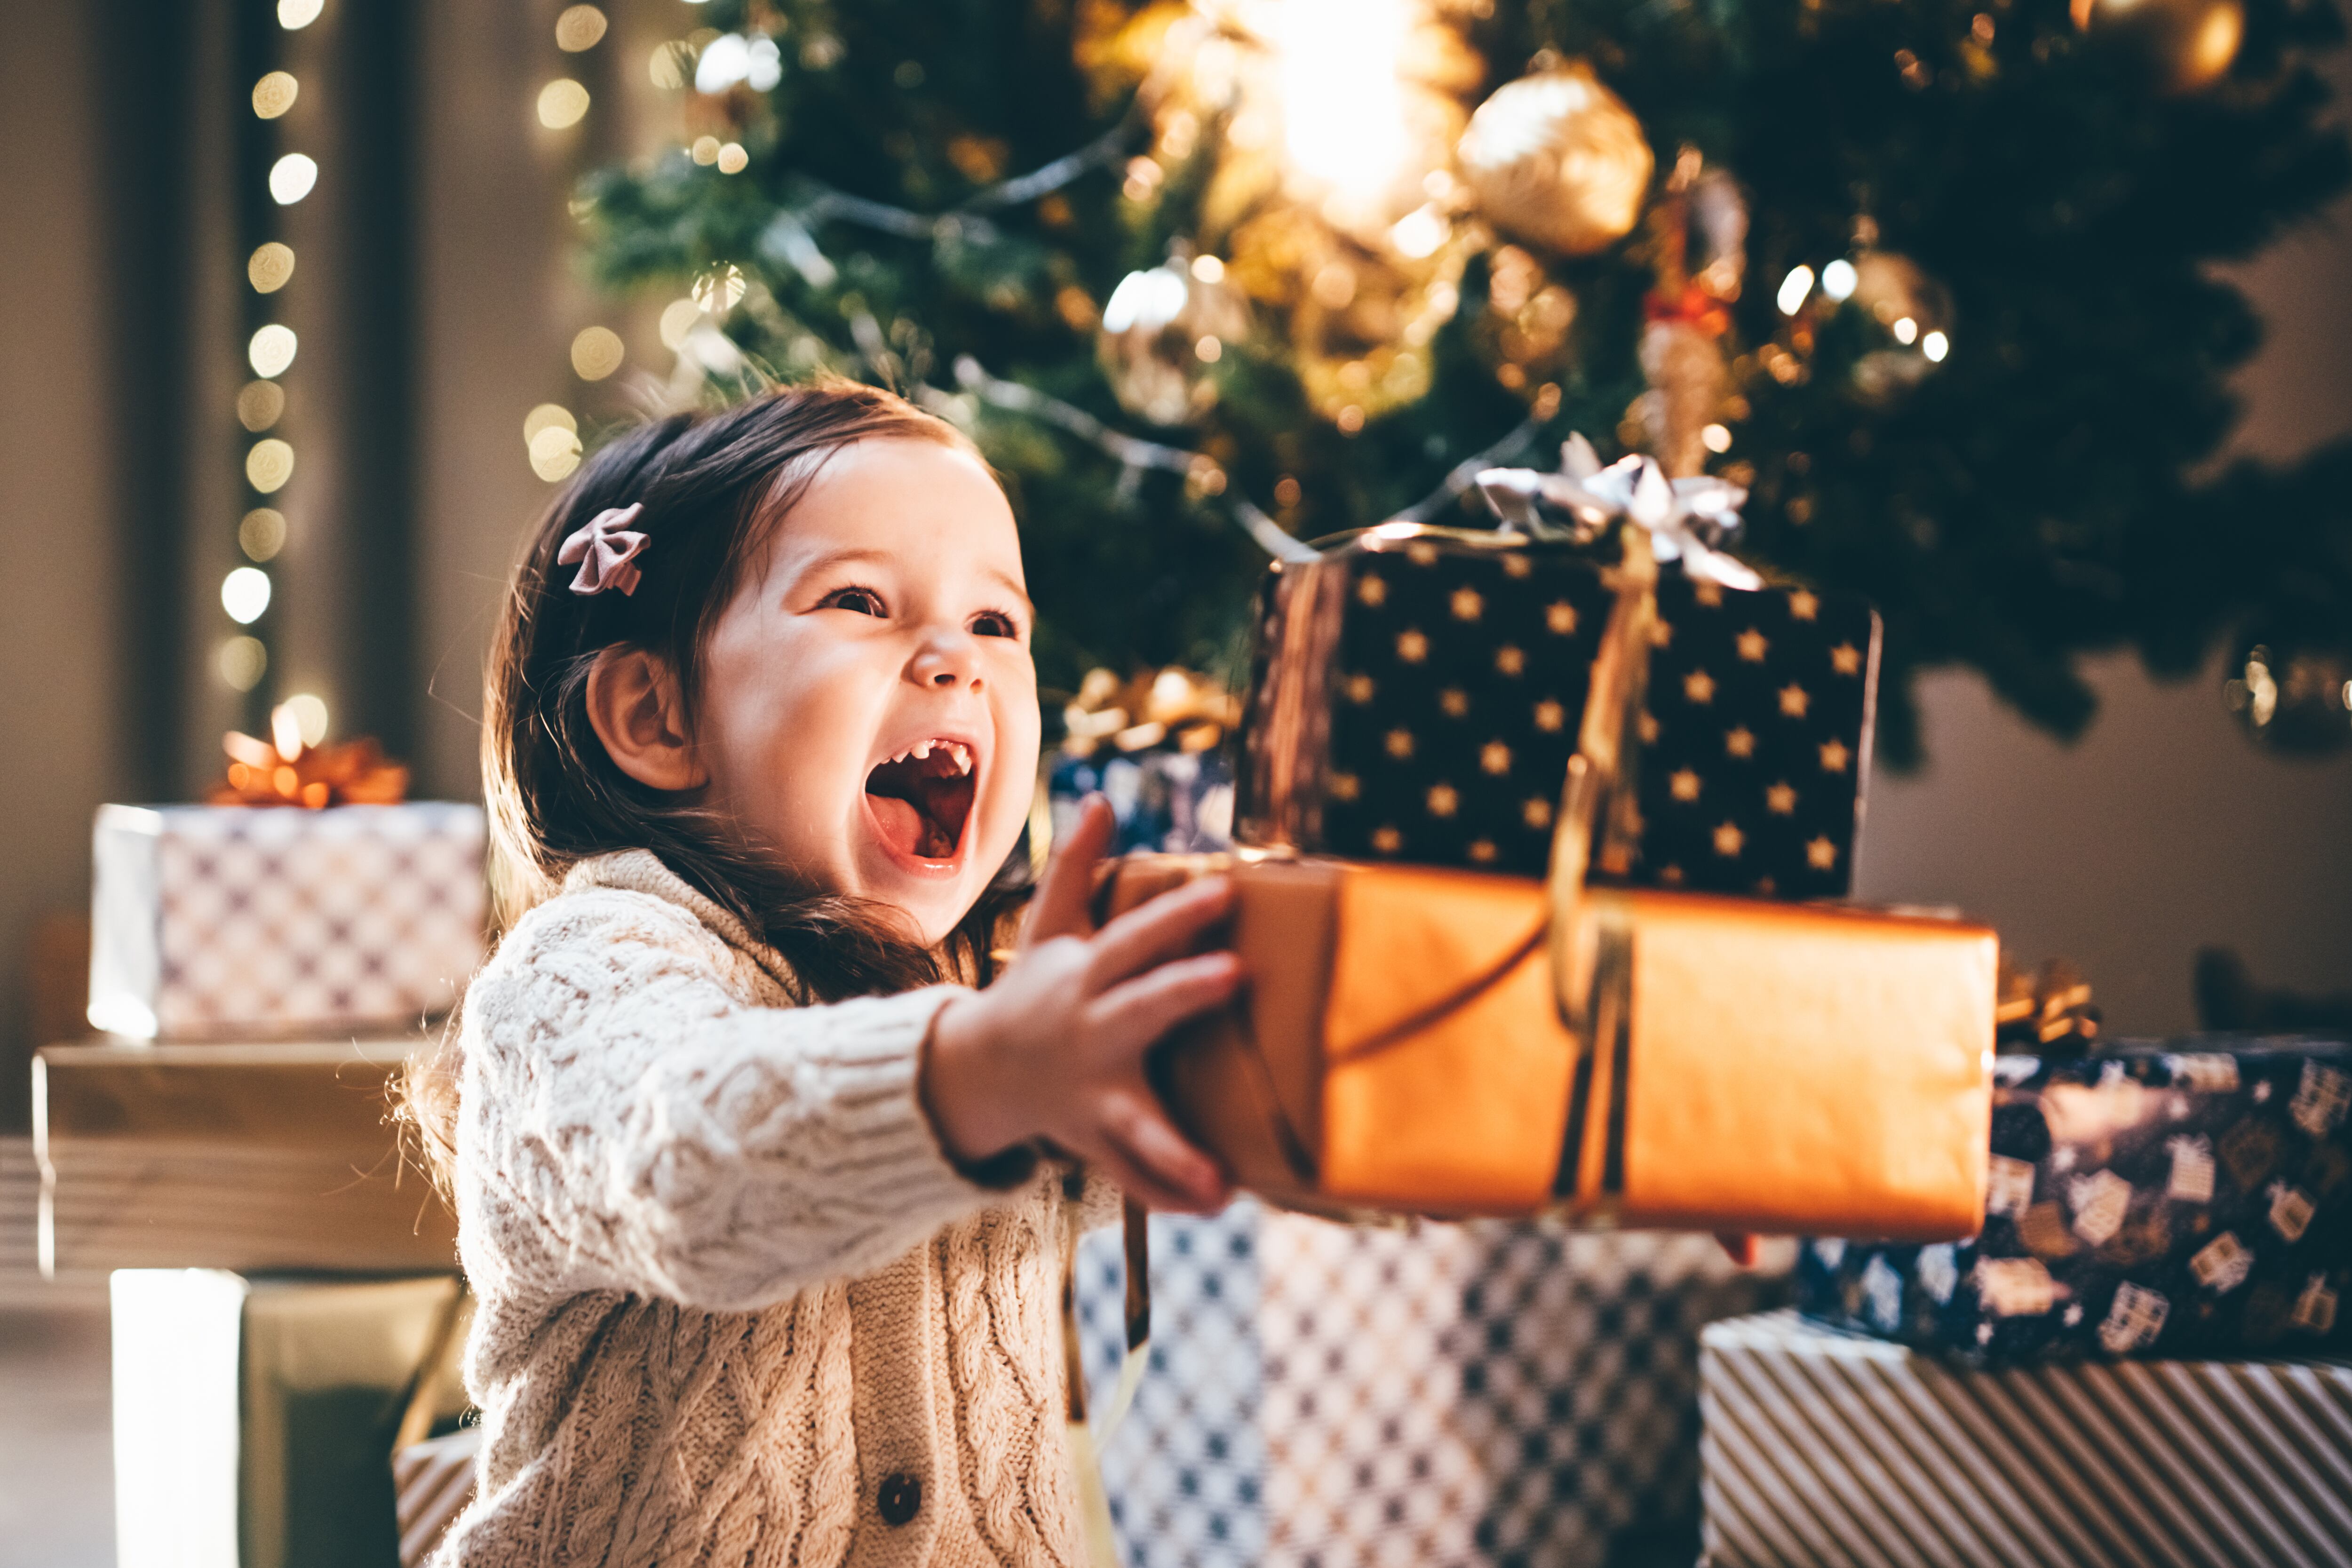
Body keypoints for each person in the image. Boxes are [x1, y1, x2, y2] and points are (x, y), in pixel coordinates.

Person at [404, 381, 1240, 1567]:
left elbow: (1221, 1151)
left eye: (997, 625)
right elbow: (685, 1162)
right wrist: (987, 1072)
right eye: (860, 601)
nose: (955, 660)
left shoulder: (995, 1006)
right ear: (655, 715)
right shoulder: (584, 969)